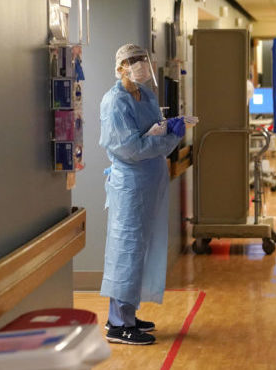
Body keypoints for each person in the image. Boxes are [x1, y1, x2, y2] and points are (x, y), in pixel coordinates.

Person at [99, 44, 184, 345]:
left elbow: (151, 129)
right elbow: (130, 148)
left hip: (150, 182)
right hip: (131, 186)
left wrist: (169, 126)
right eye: (133, 61)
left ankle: (128, 314)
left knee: (142, 250)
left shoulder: (145, 95)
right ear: (120, 66)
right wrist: (171, 138)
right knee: (127, 250)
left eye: (143, 60)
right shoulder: (115, 102)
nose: (140, 66)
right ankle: (118, 325)